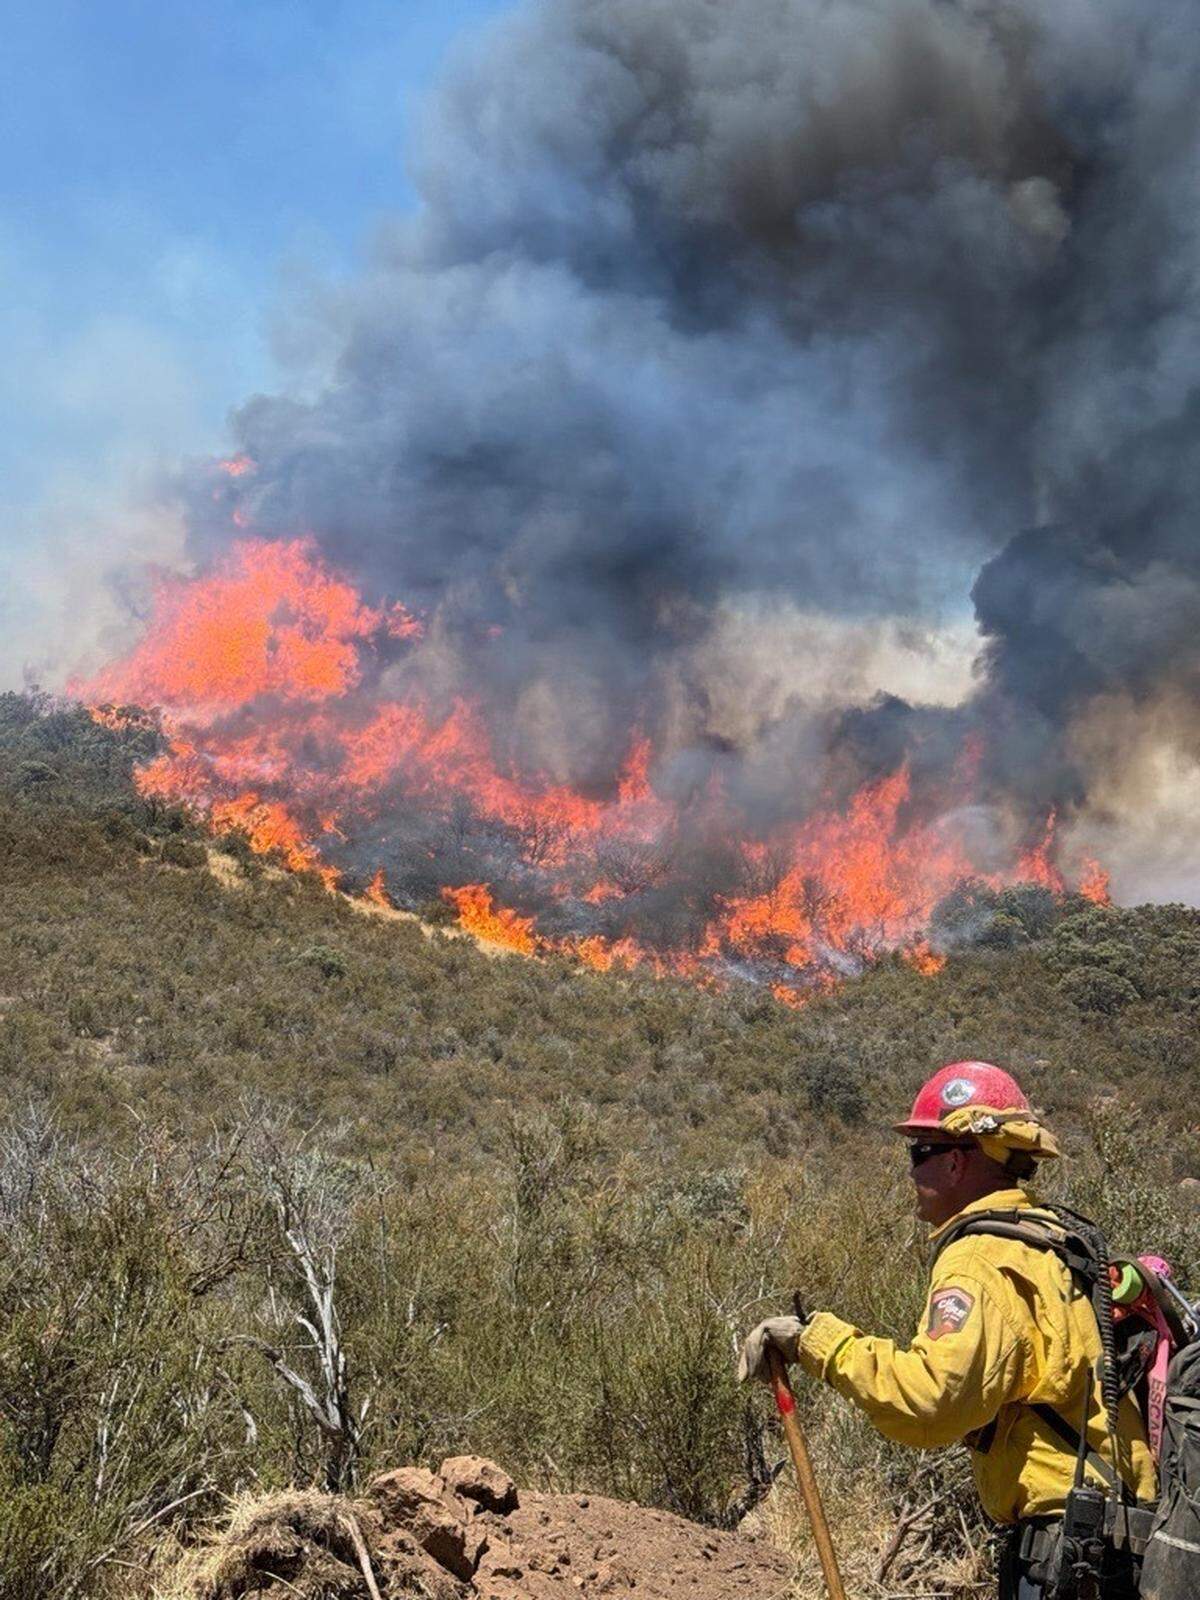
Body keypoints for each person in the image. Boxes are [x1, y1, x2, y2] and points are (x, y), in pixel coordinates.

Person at [738, 1060, 1157, 1598]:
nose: (912, 1173)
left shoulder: (981, 1260)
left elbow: (933, 1399)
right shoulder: (1055, 1241)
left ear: (958, 1162)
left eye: (920, 1153)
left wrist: (818, 1342)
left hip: (1068, 1557)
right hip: (1120, 1543)